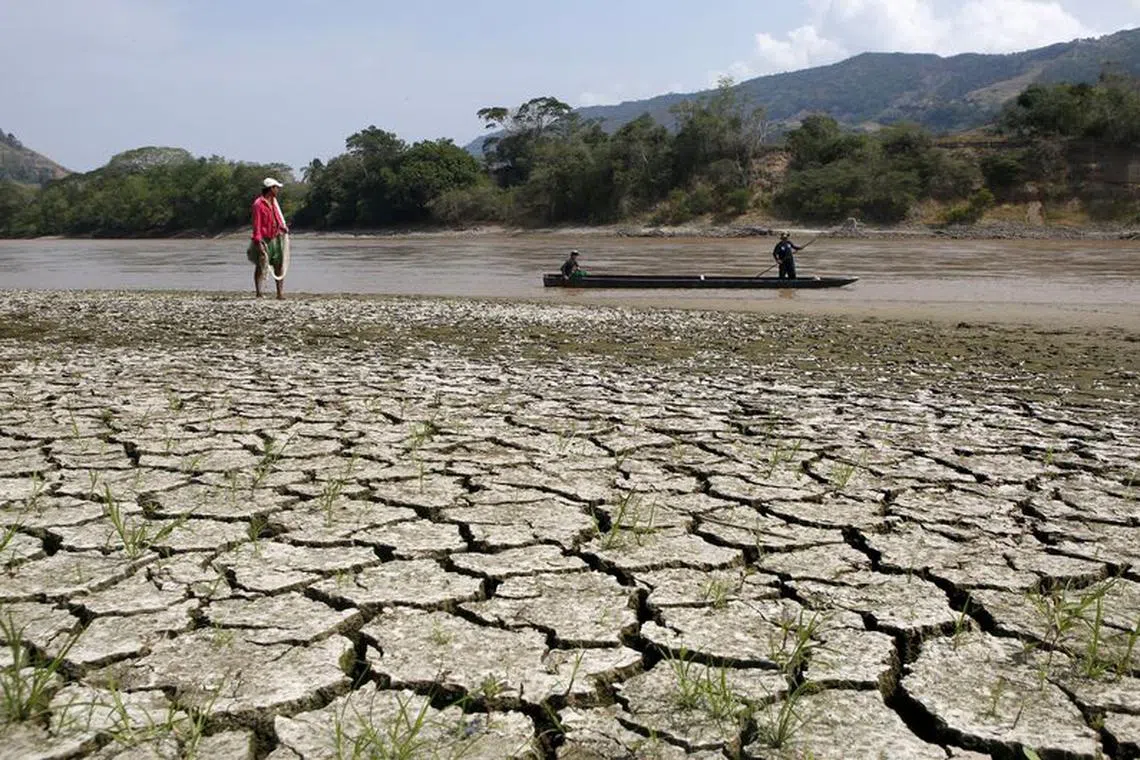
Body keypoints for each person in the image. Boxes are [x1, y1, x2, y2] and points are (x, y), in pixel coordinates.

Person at [248, 178, 289, 299]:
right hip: (264, 239)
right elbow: (257, 224)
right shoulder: (258, 204)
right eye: (276, 188)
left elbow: (276, 217)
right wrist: (258, 241)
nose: (278, 190)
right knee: (261, 265)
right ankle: (259, 292)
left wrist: (282, 227)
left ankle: (280, 293)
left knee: (278, 265)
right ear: (271, 189)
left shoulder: (274, 203)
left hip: (276, 237)